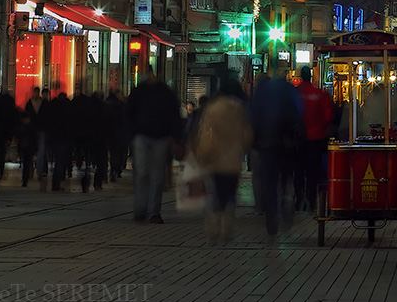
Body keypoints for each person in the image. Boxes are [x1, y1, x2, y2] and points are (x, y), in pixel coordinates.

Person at [192, 80, 252, 244]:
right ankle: (227, 225)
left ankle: (213, 224)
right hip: (233, 159)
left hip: (216, 158)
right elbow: (246, 134)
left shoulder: (213, 108)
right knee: (230, 193)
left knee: (217, 191)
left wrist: (203, 154)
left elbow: (206, 134)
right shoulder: (239, 109)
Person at [250, 73, 304, 237]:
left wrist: (255, 143)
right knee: (286, 180)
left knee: (270, 184)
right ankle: (286, 204)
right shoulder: (288, 95)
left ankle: (272, 219)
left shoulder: (261, 96)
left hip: (266, 147)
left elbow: (253, 120)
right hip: (286, 146)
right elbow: (297, 118)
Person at [126, 72, 181, 224]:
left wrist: (175, 137)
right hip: (148, 136)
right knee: (147, 174)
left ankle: (150, 211)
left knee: (149, 175)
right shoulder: (149, 92)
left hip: (155, 137)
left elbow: (129, 113)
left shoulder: (154, 92)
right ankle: (144, 210)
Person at [295, 66, 335, 213]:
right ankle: (311, 202)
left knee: (298, 172)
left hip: (297, 140)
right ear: (310, 76)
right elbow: (329, 116)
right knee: (313, 173)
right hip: (316, 139)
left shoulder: (295, 94)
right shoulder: (319, 95)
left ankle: (298, 200)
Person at [25, 87, 48, 180]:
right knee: (37, 151)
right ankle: (35, 170)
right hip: (35, 130)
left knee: (39, 151)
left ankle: (37, 170)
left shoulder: (30, 104)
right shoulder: (33, 104)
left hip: (38, 129)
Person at [15, 111, 37, 187]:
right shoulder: (29, 128)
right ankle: (26, 177)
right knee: (26, 163)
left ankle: (25, 178)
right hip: (25, 147)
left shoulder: (24, 128)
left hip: (27, 147)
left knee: (26, 163)